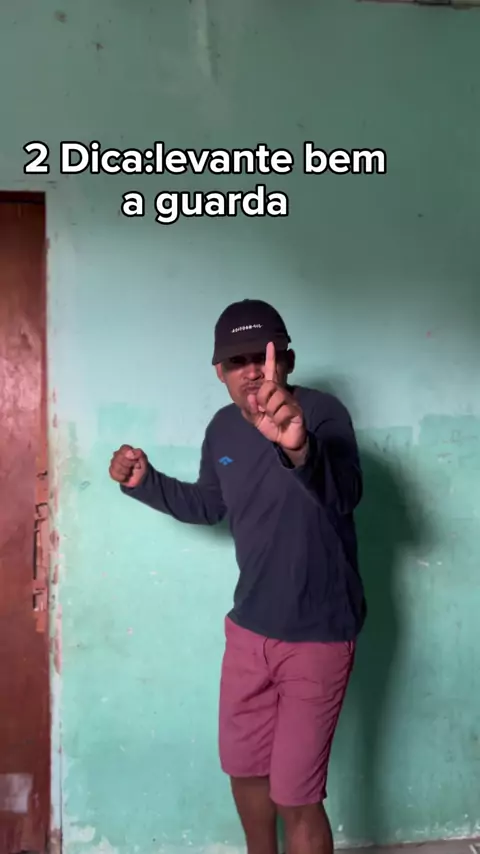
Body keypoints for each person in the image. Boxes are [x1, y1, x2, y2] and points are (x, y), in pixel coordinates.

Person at [109, 299, 366, 854]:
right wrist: (144, 482)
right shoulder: (222, 429)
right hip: (248, 632)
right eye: (236, 361)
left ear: (287, 360)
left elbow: (346, 494)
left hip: (319, 635)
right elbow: (210, 505)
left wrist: (298, 447)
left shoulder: (321, 414)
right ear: (218, 372)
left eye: (262, 356)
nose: (251, 371)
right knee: (246, 773)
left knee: (296, 797)